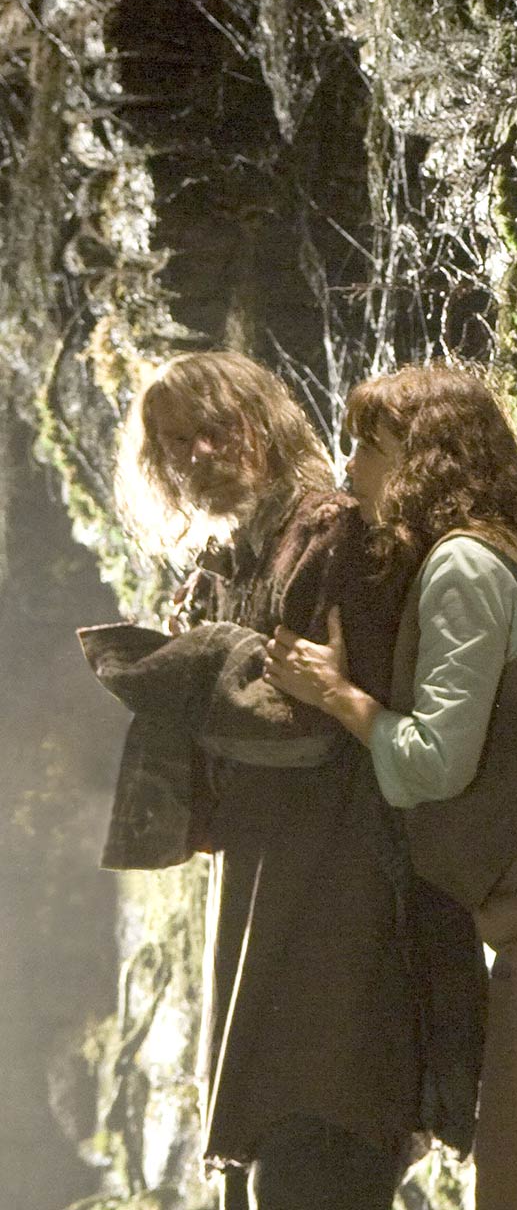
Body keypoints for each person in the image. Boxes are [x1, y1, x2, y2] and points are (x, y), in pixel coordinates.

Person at [264, 363, 517, 1210]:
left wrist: (338, 696)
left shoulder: (463, 566)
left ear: (422, 463)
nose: (350, 468)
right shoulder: (500, 550)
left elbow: (433, 762)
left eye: (369, 447)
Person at [101, 351, 464, 1210]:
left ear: (262, 423)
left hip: (344, 908)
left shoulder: (334, 535)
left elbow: (321, 725)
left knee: (320, 1149)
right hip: (266, 904)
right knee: (270, 1167)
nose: (198, 454)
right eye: (175, 442)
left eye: (214, 428)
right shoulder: (223, 570)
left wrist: (202, 662)